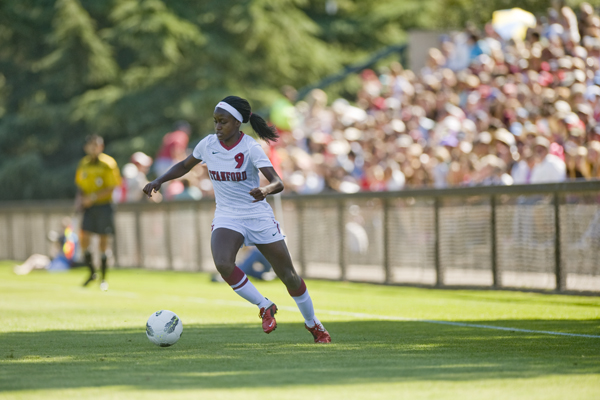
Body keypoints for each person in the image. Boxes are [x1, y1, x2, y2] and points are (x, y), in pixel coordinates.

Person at [143, 96, 331, 343]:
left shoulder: (251, 147)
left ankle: (313, 324)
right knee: (223, 263)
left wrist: (264, 191)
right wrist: (159, 180)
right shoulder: (208, 144)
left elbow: (278, 182)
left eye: (223, 122)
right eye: (215, 121)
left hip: (256, 215)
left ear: (238, 122)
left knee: (289, 276)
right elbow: (184, 165)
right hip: (227, 214)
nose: (217, 127)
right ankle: (265, 306)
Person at [75, 134, 122, 291]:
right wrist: (80, 200)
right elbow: (80, 185)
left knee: (103, 241)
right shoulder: (84, 163)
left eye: (97, 145)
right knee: (84, 239)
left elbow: (112, 186)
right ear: (86, 147)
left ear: (101, 147)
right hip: (89, 208)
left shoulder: (108, 163)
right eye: (91, 145)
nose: (94, 148)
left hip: (103, 206)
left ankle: (103, 278)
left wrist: (93, 198)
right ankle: (91, 273)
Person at [13, 217, 80, 275]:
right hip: (55, 261)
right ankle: (22, 268)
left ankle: (23, 271)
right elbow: (53, 253)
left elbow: (69, 254)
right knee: (35, 257)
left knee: (37, 263)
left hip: (61, 264)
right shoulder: (62, 237)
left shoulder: (71, 238)